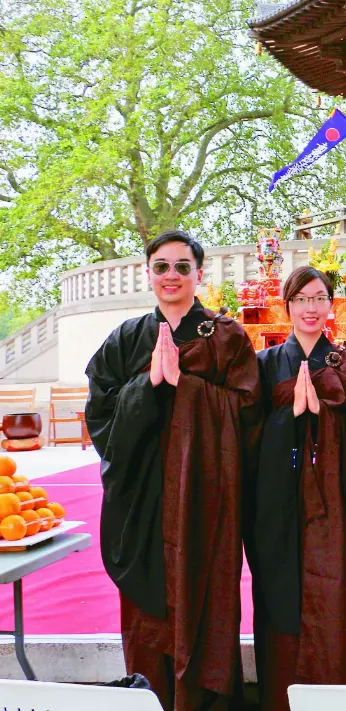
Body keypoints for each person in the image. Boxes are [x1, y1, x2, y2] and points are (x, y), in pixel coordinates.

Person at [84, 230, 260, 711]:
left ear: (199, 274)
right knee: (149, 609)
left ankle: (205, 700)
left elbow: (248, 412)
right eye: (161, 266)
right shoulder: (125, 339)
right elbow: (100, 414)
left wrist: (184, 387)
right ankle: (151, 699)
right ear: (149, 273)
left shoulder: (226, 337)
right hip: (142, 497)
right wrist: (147, 387)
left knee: (206, 598)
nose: (171, 275)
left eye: (182, 266)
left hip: (205, 497)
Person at [247, 267, 346, 710]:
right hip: (277, 498)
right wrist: (289, 415)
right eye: (302, 299)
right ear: (288, 305)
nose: (311, 308)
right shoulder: (263, 364)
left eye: (320, 298)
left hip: (334, 501)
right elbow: (244, 435)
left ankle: (334, 698)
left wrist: (327, 416)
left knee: (333, 590)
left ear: (331, 305)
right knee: (280, 595)